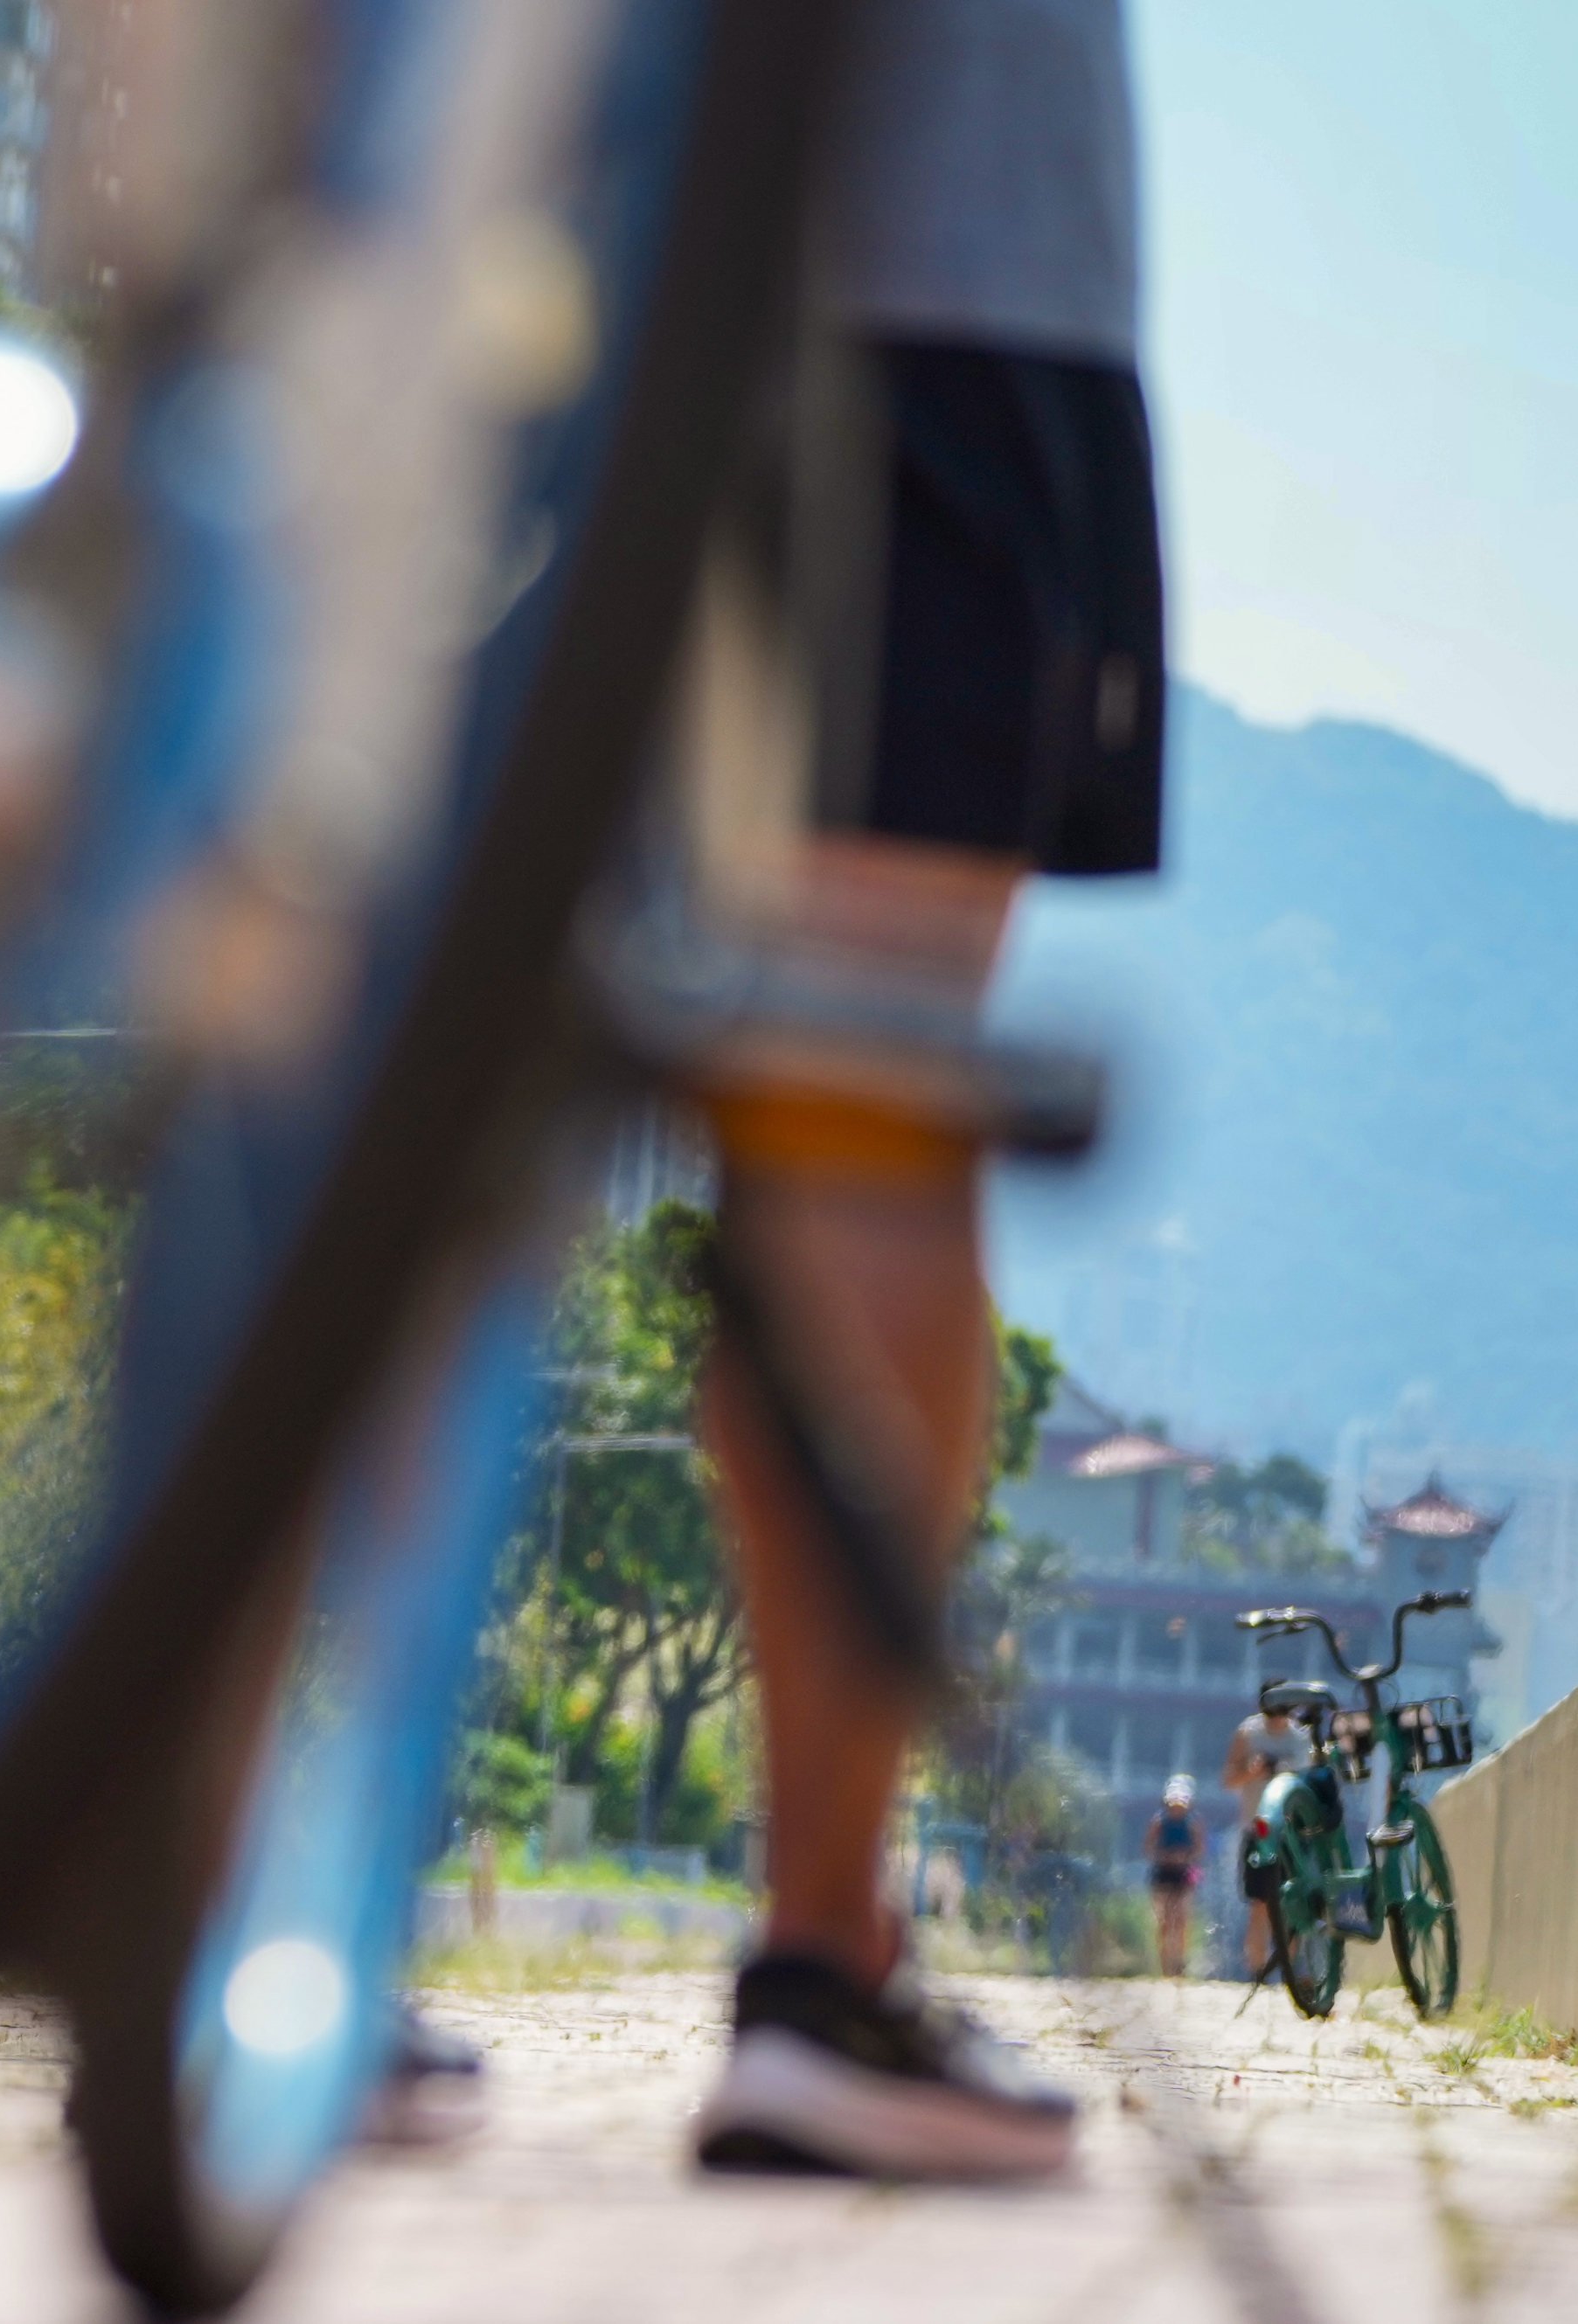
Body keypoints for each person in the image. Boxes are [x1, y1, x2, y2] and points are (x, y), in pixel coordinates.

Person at [685, 0, 1158, 2179]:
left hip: (491, 247)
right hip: (924, 259)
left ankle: (236, 1933)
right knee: (863, 1052)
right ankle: (820, 1962)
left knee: (398, 1035)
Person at [1222, 1699, 1314, 1975]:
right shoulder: (1248, 1733)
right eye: (1271, 1713)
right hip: (1257, 1827)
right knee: (1259, 1903)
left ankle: (1290, 1971)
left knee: (1293, 1902)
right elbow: (1228, 1780)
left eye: (1282, 1712)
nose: (1276, 1719)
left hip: (1292, 1830)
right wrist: (1252, 1772)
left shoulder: (1301, 1737)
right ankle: (1258, 1968)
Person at [1145, 1776, 1203, 1977]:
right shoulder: (1159, 1822)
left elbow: (1199, 1849)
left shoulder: (1192, 1823)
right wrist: (1166, 1857)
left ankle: (1179, 1963)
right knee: (1163, 1920)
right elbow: (1148, 1848)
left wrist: (1184, 1858)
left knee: (1182, 1919)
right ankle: (1164, 1967)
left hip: (1183, 1873)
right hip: (1163, 1873)